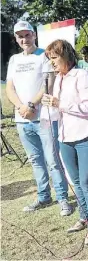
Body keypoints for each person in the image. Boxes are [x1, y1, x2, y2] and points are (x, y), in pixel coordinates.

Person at [5, 21, 72, 216]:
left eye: (27, 35)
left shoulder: (44, 55)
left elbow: (48, 84)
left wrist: (32, 105)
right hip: (22, 119)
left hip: (43, 117)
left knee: (53, 160)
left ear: (34, 35)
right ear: (16, 39)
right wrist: (20, 107)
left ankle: (63, 199)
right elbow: (10, 87)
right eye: (20, 36)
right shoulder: (14, 60)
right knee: (36, 160)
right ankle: (43, 196)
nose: (24, 39)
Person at [41, 39, 88, 246]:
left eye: (55, 58)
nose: (52, 63)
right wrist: (50, 105)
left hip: (86, 136)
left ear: (66, 55)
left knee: (86, 183)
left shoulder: (82, 75)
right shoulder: (58, 79)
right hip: (65, 137)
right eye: (50, 59)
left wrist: (59, 103)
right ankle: (84, 217)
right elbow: (60, 110)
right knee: (75, 182)